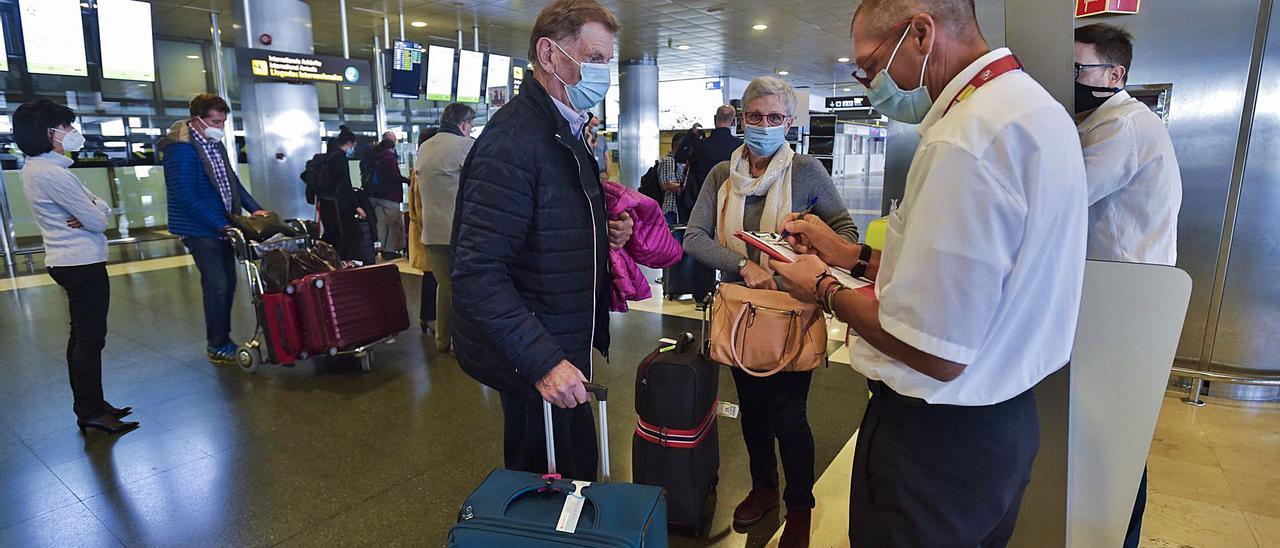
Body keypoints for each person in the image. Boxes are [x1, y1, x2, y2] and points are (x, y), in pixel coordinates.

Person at [772, 2, 1088, 545]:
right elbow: (980, 283)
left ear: (920, 33)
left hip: (933, 447)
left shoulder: (964, 140)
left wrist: (820, 285)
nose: (871, 84)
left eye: (869, 67)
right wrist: (850, 258)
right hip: (1004, 427)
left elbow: (933, 349)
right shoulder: (1036, 111)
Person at [451, 0, 632, 482]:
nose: (603, 74)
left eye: (606, 62)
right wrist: (544, 362)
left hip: (561, 338)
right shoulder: (514, 141)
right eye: (594, 59)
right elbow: (478, 272)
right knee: (549, 485)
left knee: (575, 473)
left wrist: (601, 229)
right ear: (549, 55)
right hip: (537, 353)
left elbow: (545, 220)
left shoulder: (561, 130)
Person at [683, 76, 859, 547]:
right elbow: (694, 236)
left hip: (791, 313)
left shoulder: (806, 171)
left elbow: (845, 235)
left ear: (790, 121)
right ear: (742, 118)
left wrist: (809, 235)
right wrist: (743, 264)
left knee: (790, 417)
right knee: (752, 414)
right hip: (741, 312)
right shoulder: (723, 174)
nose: (763, 125)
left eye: (774, 117)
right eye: (755, 116)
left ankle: (800, 506)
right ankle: (764, 489)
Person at [1075, 23, 1182, 548]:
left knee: (1117, 430)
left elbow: (1066, 195)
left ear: (1114, 74)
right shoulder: (1102, 120)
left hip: (1123, 296)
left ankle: (1119, 535)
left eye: (1079, 69)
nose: (1070, 79)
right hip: (1112, 292)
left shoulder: (1123, 126)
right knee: (1112, 426)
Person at [15, 99, 139, 435]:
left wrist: (95, 209)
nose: (72, 132)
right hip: (80, 262)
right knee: (89, 339)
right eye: (66, 126)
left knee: (82, 338)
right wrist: (95, 210)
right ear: (47, 132)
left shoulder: (46, 168)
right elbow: (98, 219)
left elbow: (98, 208)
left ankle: (92, 404)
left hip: (70, 261)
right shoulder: (52, 173)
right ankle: (91, 410)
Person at [159, 94, 268, 365]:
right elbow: (184, 194)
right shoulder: (181, 148)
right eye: (215, 121)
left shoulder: (214, 145)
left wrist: (254, 208)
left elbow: (231, 182)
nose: (219, 126)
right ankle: (217, 344)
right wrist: (220, 224)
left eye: (223, 121)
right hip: (200, 228)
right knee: (217, 284)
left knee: (228, 283)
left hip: (222, 225)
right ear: (197, 119)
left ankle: (222, 337)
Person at [416, 104, 476, 353]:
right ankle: (463, 343)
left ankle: (443, 339)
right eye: (470, 126)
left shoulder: (425, 146)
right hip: (460, 232)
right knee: (465, 287)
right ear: (463, 125)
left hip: (431, 232)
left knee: (445, 287)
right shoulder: (465, 146)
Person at [675, 105, 741, 305]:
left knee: (703, 247)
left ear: (715, 119)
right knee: (731, 246)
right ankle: (732, 290)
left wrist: (691, 136)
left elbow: (679, 157)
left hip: (700, 203)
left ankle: (701, 293)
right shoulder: (738, 147)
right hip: (732, 204)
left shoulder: (702, 146)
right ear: (734, 121)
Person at [317, 127, 373, 265]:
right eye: (353, 145)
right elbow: (346, 185)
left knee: (333, 234)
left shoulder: (329, 157)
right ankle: (343, 263)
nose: (353, 149)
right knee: (353, 234)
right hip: (340, 206)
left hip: (328, 204)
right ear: (349, 143)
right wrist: (357, 206)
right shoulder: (340, 158)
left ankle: (329, 261)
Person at [407, 128, 439, 335]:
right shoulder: (423, 169)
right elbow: (419, 206)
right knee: (432, 277)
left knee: (431, 276)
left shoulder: (419, 166)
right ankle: (429, 318)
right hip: (426, 231)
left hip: (423, 230)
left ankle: (427, 318)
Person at [363, 131, 409, 260]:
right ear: (391, 146)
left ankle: (381, 249)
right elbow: (394, 176)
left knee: (381, 224)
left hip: (374, 195)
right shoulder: (388, 157)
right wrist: (408, 180)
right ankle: (390, 250)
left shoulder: (372, 155)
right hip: (390, 196)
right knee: (393, 224)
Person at [657, 132, 687, 225]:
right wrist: (686, 187)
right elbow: (667, 185)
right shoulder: (669, 160)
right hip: (671, 208)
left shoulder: (678, 162)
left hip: (677, 210)